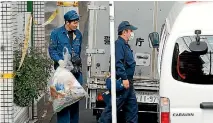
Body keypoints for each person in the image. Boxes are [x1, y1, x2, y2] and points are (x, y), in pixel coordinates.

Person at [98, 21, 138, 123]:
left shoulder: (125, 45)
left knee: (132, 110)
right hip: (122, 82)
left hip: (129, 83)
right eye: (130, 31)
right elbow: (118, 62)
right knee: (111, 110)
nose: (132, 33)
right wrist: (124, 78)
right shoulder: (119, 44)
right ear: (124, 32)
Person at [48, 10, 83, 123]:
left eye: (77, 22)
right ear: (67, 22)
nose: (76, 25)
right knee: (62, 104)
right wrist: (59, 60)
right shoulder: (56, 33)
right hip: (62, 75)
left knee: (74, 104)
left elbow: (78, 52)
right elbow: (52, 50)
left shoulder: (78, 34)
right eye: (74, 22)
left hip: (75, 74)